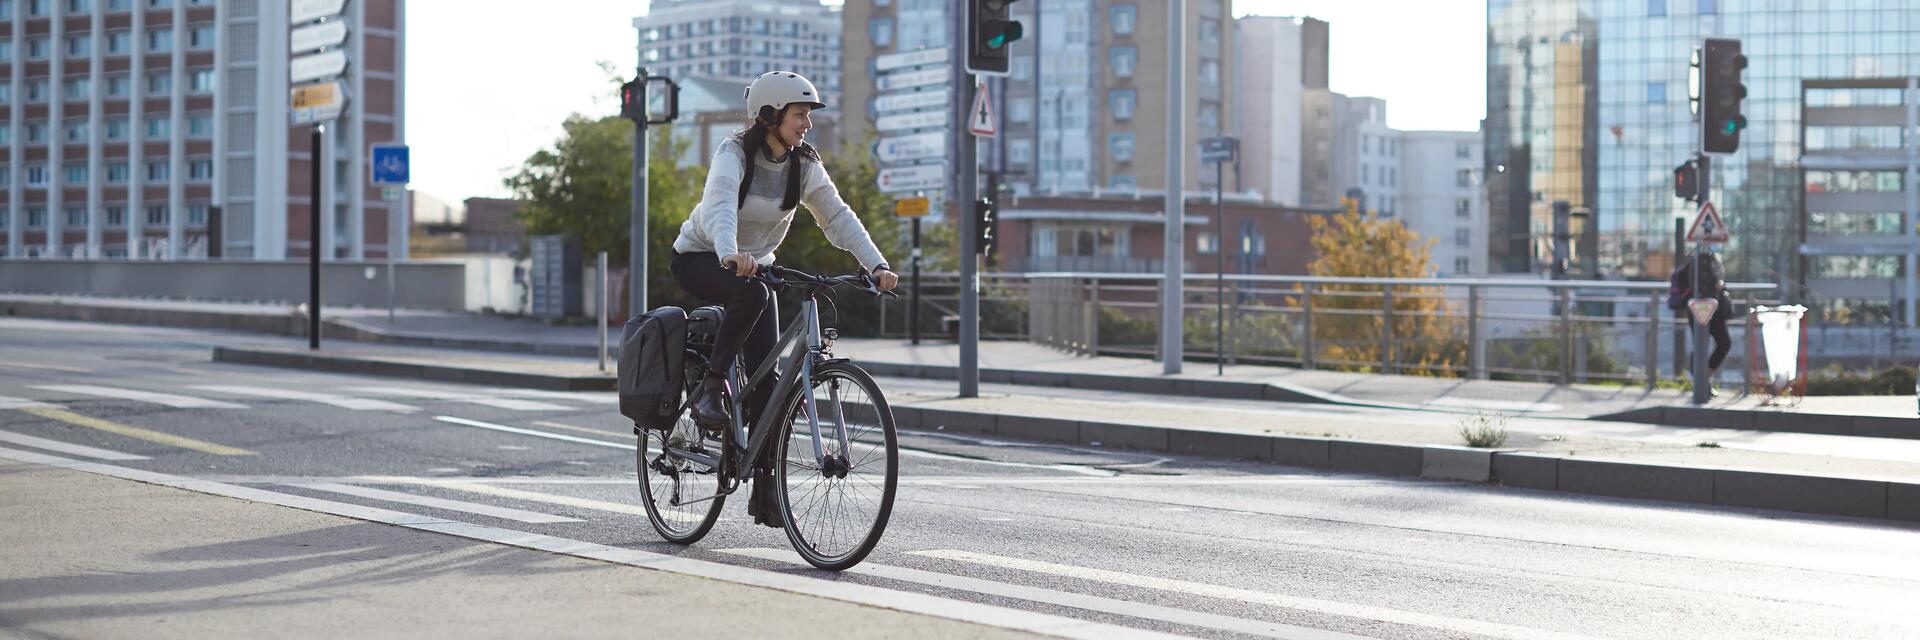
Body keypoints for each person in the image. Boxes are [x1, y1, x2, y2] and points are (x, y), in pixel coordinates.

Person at [669, 71, 898, 527]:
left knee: (769, 384)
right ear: (771, 116)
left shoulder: (803, 165)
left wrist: (876, 264)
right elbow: (717, 206)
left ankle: (765, 490)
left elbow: (837, 216)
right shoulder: (734, 153)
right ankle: (711, 389)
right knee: (752, 293)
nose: (807, 123)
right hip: (702, 254)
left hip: (753, 267)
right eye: (800, 114)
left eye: (809, 115)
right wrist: (730, 253)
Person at [1668, 250, 1732, 395]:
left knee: (1712, 344)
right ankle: (1701, 380)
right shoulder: (1704, 261)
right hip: (1701, 307)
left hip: (1704, 308)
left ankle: (1703, 378)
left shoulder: (1709, 260)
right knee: (1704, 345)